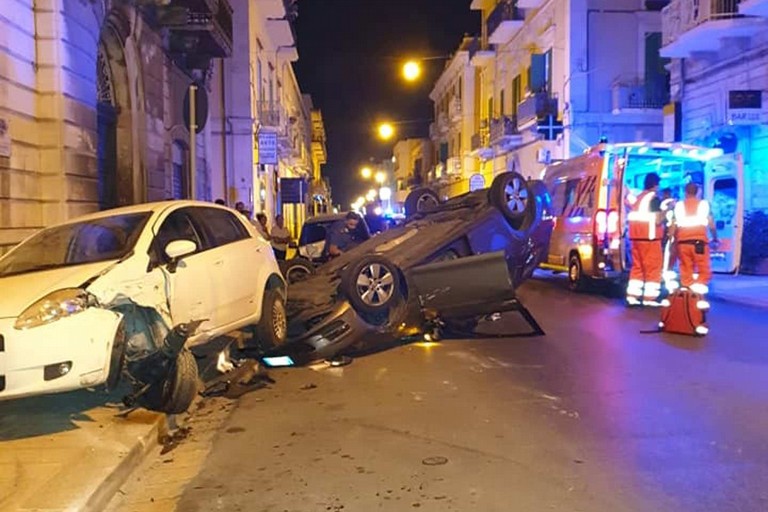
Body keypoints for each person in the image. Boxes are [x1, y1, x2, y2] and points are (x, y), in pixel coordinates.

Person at [671, 182, 718, 300]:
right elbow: (711, 224)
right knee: (703, 268)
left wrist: (671, 239)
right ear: (697, 192)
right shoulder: (704, 205)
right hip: (699, 242)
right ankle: (699, 295)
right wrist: (715, 238)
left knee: (686, 269)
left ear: (685, 192)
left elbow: (673, 226)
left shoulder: (679, 206)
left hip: (682, 243)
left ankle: (688, 295)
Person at [626, 172, 663, 306]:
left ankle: (632, 297)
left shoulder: (639, 198)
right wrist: (667, 210)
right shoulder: (654, 199)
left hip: (636, 238)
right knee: (653, 268)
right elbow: (658, 220)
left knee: (638, 268)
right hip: (650, 239)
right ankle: (650, 299)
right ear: (655, 184)